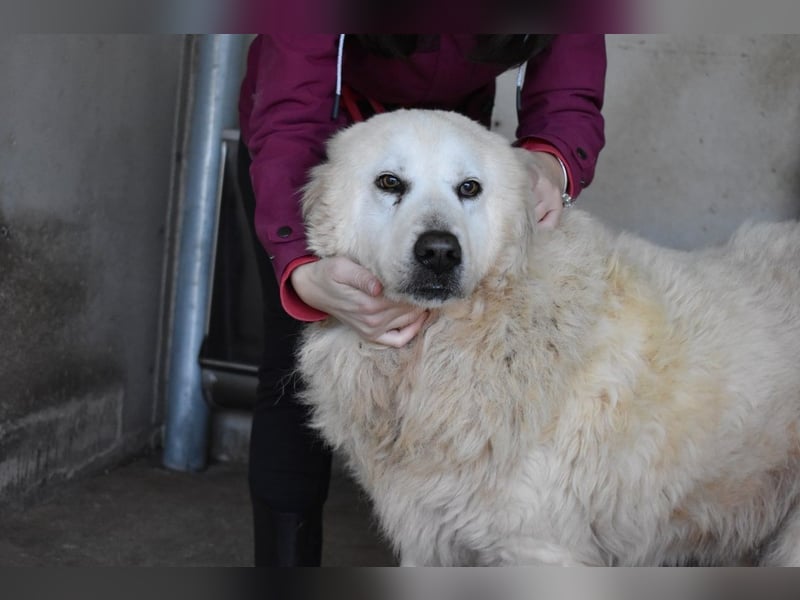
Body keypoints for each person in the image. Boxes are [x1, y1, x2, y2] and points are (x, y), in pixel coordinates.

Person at [237, 34, 606, 566]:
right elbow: (290, 111)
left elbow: (570, 76)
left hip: (454, 148)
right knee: (292, 376)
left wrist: (551, 161)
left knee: (454, 375)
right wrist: (300, 266)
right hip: (320, 151)